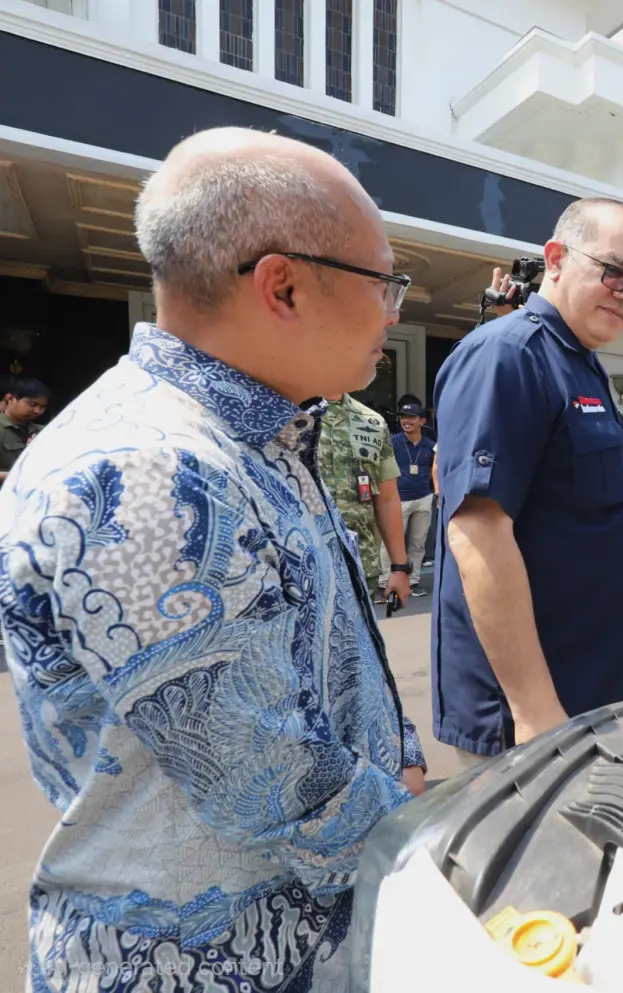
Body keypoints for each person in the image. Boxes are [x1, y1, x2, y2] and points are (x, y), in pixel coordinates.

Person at [0, 127, 426, 991]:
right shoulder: (146, 468)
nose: (397, 310)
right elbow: (264, 774)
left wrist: (401, 749)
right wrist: (446, 836)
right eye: (385, 281)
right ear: (283, 284)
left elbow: (331, 648)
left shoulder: (253, 434)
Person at [433, 198, 623, 762]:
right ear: (555, 259)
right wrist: (535, 715)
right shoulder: (509, 356)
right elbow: (477, 531)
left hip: (588, 694)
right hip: (534, 720)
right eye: (614, 271)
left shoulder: (579, 361)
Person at [319, 390, 412, 607]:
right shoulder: (286, 413)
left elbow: (387, 498)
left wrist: (399, 567)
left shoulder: (372, 421)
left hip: (360, 566)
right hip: (299, 566)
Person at [382, 394, 437, 596]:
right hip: (397, 498)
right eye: (403, 416)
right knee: (390, 542)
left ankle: (413, 581)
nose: (406, 421)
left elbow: (437, 470)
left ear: (422, 421)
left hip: (423, 497)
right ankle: (386, 581)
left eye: (411, 417)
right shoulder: (392, 442)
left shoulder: (430, 446)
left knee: (417, 543)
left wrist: (436, 493)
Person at [0, 375, 49, 483]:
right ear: (10, 399)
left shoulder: (45, 432)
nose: (37, 411)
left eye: (43, 407)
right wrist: (18, 475)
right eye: (33, 404)